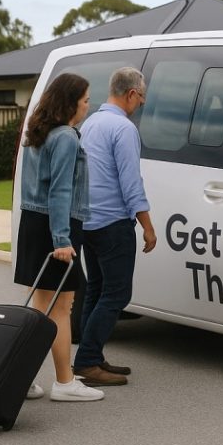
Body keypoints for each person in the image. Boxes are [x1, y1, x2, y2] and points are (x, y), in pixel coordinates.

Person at [15, 72, 105, 402]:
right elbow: (60, 190)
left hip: (34, 223)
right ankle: (65, 383)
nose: (87, 106)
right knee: (62, 307)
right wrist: (62, 239)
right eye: (84, 101)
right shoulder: (66, 136)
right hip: (57, 226)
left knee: (39, 306)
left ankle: (19, 376)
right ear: (70, 104)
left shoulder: (40, 133)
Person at [73, 67, 157, 386]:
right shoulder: (123, 128)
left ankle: (92, 357)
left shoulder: (91, 122)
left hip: (89, 222)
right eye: (141, 99)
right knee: (117, 293)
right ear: (131, 94)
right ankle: (88, 361)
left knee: (96, 289)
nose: (140, 105)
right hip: (113, 223)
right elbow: (130, 183)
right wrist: (147, 225)